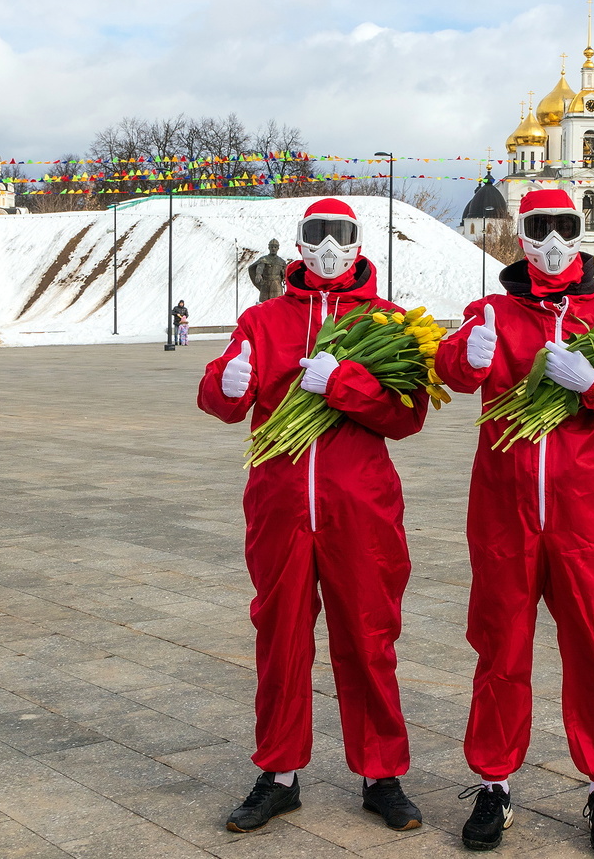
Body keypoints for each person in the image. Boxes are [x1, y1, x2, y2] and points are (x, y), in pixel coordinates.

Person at [435, 189, 594, 857]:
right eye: (541, 227)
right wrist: (467, 357)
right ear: (521, 234)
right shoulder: (492, 311)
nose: (555, 239)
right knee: (499, 647)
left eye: (566, 226)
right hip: (503, 513)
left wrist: (593, 382)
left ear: (581, 229)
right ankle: (496, 780)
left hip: (586, 514)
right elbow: (447, 366)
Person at [198, 198, 428, 835]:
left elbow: (408, 416)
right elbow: (217, 399)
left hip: (359, 507)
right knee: (280, 638)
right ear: (298, 244)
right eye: (316, 234)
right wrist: (228, 383)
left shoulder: (388, 323)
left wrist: (346, 385)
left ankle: (382, 773)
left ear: (358, 243)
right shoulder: (263, 320)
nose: (328, 247)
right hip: (280, 505)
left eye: (341, 235)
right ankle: (278, 774)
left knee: (368, 637)